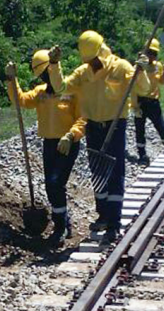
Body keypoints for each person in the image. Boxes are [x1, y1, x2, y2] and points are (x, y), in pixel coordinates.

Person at [61, 30, 151, 244]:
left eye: (94, 60)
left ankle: (114, 224)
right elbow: (62, 87)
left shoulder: (122, 67)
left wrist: (141, 71)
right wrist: (54, 66)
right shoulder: (83, 72)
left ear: (102, 52)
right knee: (98, 171)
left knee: (115, 174)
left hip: (115, 125)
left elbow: (144, 88)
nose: (92, 65)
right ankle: (103, 214)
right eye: (89, 61)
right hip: (93, 127)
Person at [6, 47, 86, 246]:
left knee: (55, 182)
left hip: (67, 144)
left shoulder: (71, 90)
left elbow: (84, 118)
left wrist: (71, 135)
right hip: (49, 144)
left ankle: (59, 226)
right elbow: (20, 100)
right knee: (52, 186)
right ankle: (64, 220)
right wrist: (12, 80)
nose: (44, 79)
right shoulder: (41, 93)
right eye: (41, 76)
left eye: (45, 74)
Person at [132, 38, 164, 166]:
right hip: (140, 102)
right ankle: (142, 155)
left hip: (153, 101)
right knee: (140, 129)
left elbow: (161, 81)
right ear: (145, 52)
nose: (152, 55)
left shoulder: (158, 66)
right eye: (150, 52)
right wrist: (134, 106)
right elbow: (132, 87)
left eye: (154, 53)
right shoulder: (138, 67)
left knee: (160, 124)